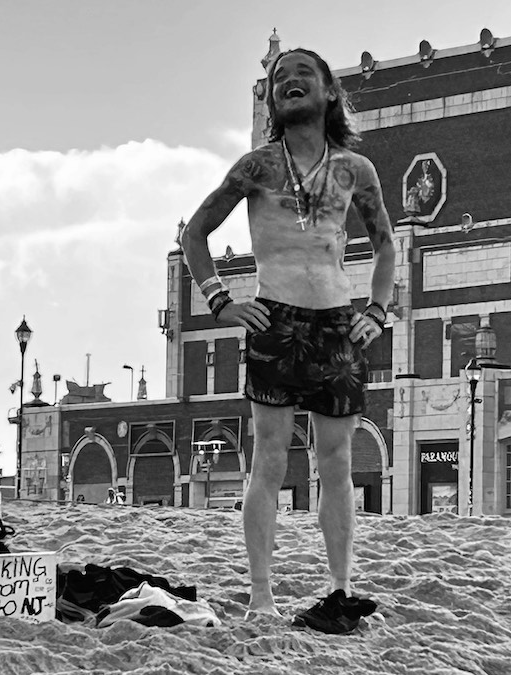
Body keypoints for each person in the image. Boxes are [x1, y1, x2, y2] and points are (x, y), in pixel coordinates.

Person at [180, 47, 394, 634]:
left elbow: (385, 246)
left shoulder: (356, 170)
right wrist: (222, 300)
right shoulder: (256, 168)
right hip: (275, 323)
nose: (289, 81)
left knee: (339, 462)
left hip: (336, 325)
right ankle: (261, 595)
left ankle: (341, 589)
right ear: (272, 100)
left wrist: (377, 309)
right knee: (269, 463)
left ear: (329, 92)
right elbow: (195, 232)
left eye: (303, 73)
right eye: (279, 77)